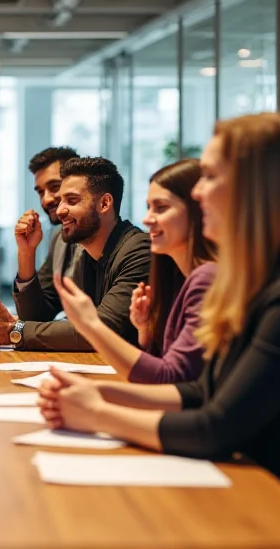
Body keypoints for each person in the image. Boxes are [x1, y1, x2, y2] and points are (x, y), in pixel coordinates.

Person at [40, 113, 280, 503]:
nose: (199, 193)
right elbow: (202, 391)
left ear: (257, 190)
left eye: (211, 177)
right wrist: (98, 392)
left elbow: (215, 428)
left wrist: (96, 413)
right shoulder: (258, 281)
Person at [0, 157, 151, 351]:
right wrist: (26, 252)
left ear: (105, 203)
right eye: (61, 199)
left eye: (71, 200)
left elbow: (102, 328)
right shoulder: (82, 250)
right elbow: (37, 316)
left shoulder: (139, 251)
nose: (60, 208)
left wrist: (12, 330)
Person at [47, 159, 216, 383]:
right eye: (149, 208)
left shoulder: (204, 278)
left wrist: (92, 326)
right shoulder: (176, 272)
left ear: (199, 210)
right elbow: (170, 366)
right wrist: (146, 334)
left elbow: (174, 379)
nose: (147, 219)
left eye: (161, 208)